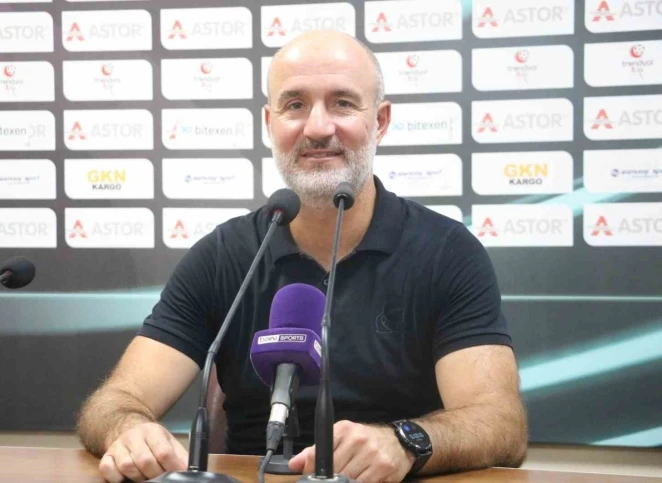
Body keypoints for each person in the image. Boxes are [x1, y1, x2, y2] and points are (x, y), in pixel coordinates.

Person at [77, 30, 528, 483]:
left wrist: (405, 440)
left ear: (380, 121)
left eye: (342, 103)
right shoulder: (223, 255)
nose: (317, 128)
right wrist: (128, 430)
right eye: (295, 105)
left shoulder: (446, 251)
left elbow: (500, 423)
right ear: (269, 123)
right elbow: (114, 402)